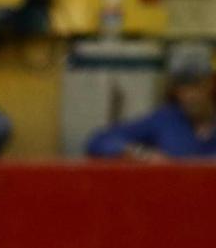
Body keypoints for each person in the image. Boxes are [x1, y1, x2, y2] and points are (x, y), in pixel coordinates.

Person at [85, 42, 216, 161]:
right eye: (182, 87)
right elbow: (100, 141)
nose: (190, 95)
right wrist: (142, 154)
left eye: (197, 85)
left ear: (211, 83)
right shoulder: (165, 120)